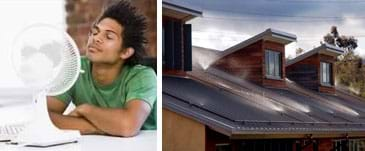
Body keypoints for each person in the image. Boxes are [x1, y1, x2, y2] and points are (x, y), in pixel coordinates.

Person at [47, 0, 156, 137]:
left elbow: (128, 126)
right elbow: (44, 118)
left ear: (125, 52)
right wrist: (92, 127)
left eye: (108, 36)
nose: (96, 38)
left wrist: (85, 110)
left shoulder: (143, 77)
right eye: (95, 32)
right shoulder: (75, 67)